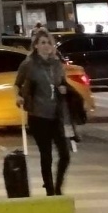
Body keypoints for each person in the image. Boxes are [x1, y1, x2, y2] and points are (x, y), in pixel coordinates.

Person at [14, 30, 73, 196]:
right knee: (46, 154)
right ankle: (49, 188)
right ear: (36, 46)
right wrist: (18, 97)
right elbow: (17, 84)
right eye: (43, 43)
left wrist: (64, 88)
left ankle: (58, 185)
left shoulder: (57, 64)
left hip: (57, 114)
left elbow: (62, 83)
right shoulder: (29, 64)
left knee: (65, 154)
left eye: (49, 42)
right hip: (38, 115)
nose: (46, 46)